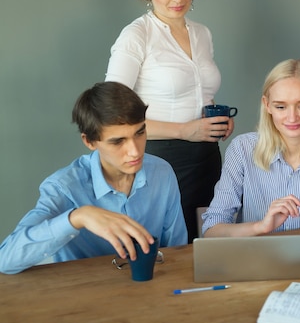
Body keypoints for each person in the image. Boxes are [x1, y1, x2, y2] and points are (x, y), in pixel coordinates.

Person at [105, 0, 233, 242]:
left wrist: (215, 119)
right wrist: (185, 129)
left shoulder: (202, 33)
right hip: (159, 160)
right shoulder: (136, 36)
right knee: (166, 249)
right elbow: (112, 115)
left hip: (207, 156)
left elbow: (200, 92)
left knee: (207, 243)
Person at [0, 82, 187, 274]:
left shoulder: (162, 172)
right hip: (83, 296)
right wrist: (78, 217)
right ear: (89, 142)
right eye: (118, 141)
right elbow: (6, 260)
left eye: (140, 133)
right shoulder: (63, 187)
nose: (134, 151)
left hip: (150, 292)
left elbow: (176, 251)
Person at [202, 59, 300, 237]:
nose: (292, 118)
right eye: (281, 107)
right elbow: (211, 231)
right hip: (255, 261)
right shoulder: (242, 149)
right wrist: (261, 226)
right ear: (267, 105)